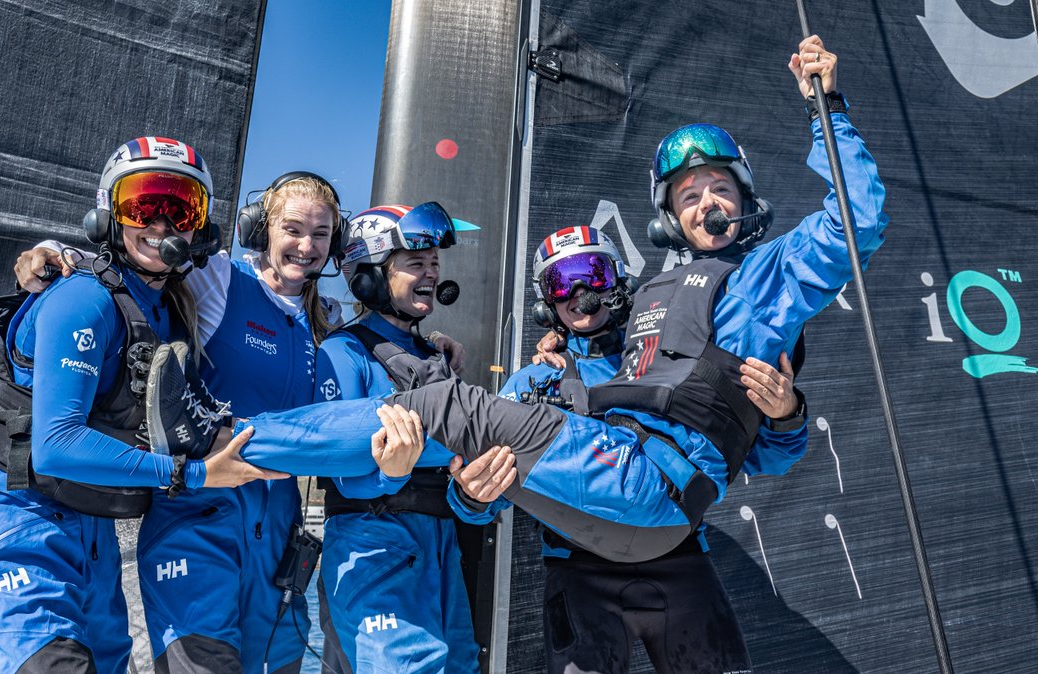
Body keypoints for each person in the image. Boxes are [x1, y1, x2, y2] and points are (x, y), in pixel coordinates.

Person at [194, 35, 883, 564]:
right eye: (688, 195)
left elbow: (856, 222)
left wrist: (828, 111)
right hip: (614, 518)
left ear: (743, 197)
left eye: (718, 190)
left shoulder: (765, 276)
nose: (706, 204)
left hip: (650, 495)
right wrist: (477, 475)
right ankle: (227, 442)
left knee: (440, 405)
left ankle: (221, 437)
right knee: (448, 421)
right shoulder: (642, 313)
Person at [15, 173, 465, 673]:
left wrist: (435, 343)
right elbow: (143, 259)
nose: (306, 246)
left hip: (278, 546)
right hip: (198, 527)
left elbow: (386, 329)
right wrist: (54, 250)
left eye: (321, 234)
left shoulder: (331, 322)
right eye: (293, 230)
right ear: (260, 230)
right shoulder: (220, 279)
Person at [0, 137, 263, 674]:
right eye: (143, 205)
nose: (161, 224)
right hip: (13, 520)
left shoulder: (168, 310)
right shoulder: (83, 297)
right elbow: (57, 445)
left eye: (180, 209)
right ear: (108, 213)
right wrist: (195, 473)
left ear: (199, 228)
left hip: (90, 535)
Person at [452, 227, 809, 673]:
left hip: (681, 562)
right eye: (559, 282)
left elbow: (769, 458)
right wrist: (470, 494)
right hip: (580, 572)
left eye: (592, 273)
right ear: (545, 303)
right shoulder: (532, 382)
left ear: (618, 279)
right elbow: (480, 504)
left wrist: (786, 414)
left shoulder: (677, 357)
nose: (579, 293)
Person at [311, 203, 513, 673]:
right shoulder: (344, 351)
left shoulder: (433, 354)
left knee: (459, 663)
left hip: (441, 543)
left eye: (435, 264)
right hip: (373, 542)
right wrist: (389, 473)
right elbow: (341, 474)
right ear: (369, 276)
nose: (430, 274)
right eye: (415, 264)